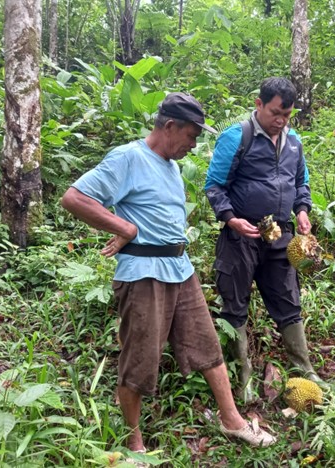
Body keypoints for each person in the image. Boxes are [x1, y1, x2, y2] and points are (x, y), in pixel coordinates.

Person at [61, 92, 276, 455]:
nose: (193, 145)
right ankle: (134, 443)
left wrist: (128, 227)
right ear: (170, 126)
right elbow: (75, 198)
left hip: (180, 268)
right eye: (191, 136)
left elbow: (153, 212)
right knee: (141, 360)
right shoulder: (129, 157)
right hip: (145, 274)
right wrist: (125, 230)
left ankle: (232, 420)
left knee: (207, 346)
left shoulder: (172, 166)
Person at [205, 77, 322, 404]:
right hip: (241, 234)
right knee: (235, 301)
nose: (281, 120)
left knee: (287, 296)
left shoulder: (294, 142)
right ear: (259, 104)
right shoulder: (236, 137)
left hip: (278, 232)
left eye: (287, 114)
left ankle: (304, 368)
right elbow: (214, 187)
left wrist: (301, 210)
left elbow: (301, 183)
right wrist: (231, 218)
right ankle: (242, 375)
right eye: (275, 113)